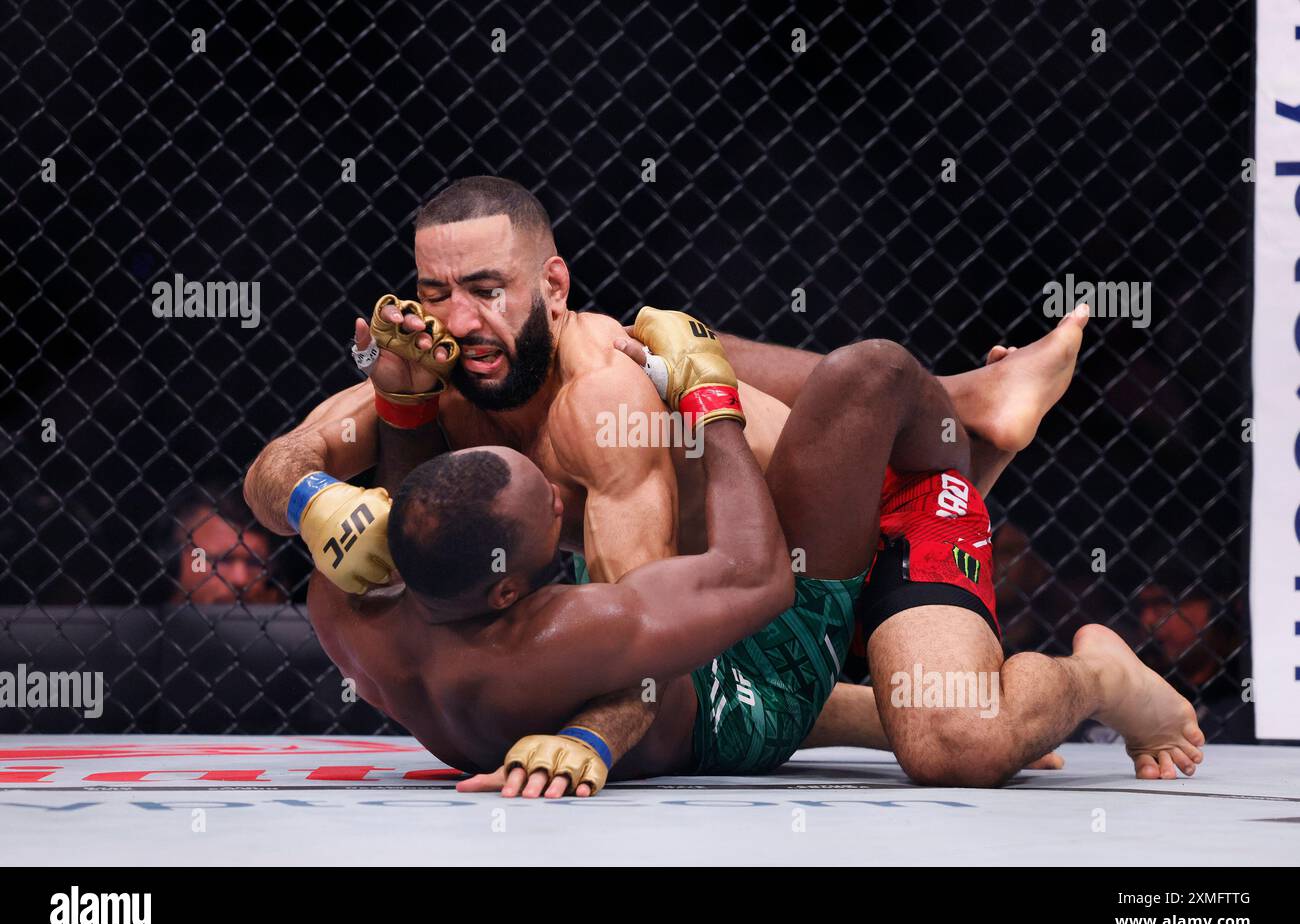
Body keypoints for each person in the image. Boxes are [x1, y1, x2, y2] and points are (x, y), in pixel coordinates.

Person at [244, 175, 1089, 782]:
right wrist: (312, 496)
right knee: (676, 358)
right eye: (436, 292)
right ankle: (974, 399)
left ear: (553, 286)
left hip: (829, 551)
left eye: (487, 290)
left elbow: (654, 645)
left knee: (951, 741)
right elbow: (279, 464)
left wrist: (595, 742)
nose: (461, 321)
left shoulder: (600, 403)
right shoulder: (430, 365)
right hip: (724, 605)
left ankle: (1094, 665)